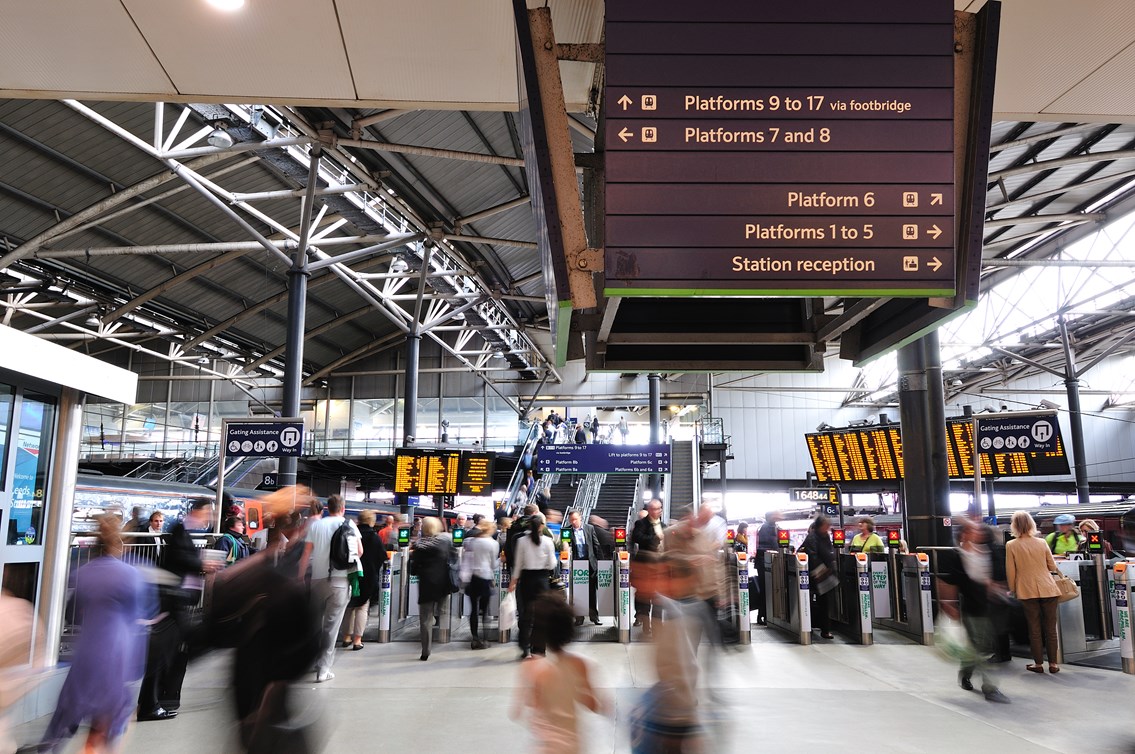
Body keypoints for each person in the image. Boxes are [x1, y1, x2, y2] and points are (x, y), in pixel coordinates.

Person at [32, 515, 149, 753]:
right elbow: (136, 614)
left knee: (71, 705)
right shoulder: (131, 574)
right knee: (113, 714)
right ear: (120, 544)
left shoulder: (83, 572)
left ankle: (51, 746)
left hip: (88, 647)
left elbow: (72, 614)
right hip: (118, 648)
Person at [137, 497, 214, 721]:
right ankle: (152, 704)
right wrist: (202, 564)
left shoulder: (182, 530)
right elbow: (179, 557)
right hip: (171, 601)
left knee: (167, 652)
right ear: (198, 511)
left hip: (175, 600)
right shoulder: (180, 530)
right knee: (163, 653)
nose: (209, 518)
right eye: (208, 513)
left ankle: (156, 701)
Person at [511, 594, 604, 754]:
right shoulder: (578, 664)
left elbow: (519, 710)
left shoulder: (531, 666)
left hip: (546, 746)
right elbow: (594, 705)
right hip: (573, 744)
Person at [936, 520, 1011, 704]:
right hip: (973, 608)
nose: (976, 533)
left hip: (994, 607)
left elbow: (1000, 574)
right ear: (963, 535)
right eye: (971, 530)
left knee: (979, 647)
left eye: (977, 530)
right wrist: (948, 604)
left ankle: (965, 671)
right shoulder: (957, 556)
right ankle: (990, 687)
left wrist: (998, 587)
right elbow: (948, 581)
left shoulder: (991, 551)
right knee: (984, 649)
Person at [301, 494, 360, 682]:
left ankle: (311, 661)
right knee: (331, 627)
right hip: (340, 582)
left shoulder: (317, 525)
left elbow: (306, 554)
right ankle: (323, 670)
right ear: (342, 508)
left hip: (317, 580)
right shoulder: (349, 525)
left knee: (315, 625)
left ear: (327, 508)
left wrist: (300, 577)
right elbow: (359, 551)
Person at [1006, 510, 1062, 674]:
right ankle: (1053, 664)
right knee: (1051, 628)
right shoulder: (1041, 542)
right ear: (1031, 524)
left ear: (1014, 526)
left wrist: (1013, 589)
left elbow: (1011, 571)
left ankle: (1038, 664)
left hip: (1027, 590)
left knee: (1034, 629)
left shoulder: (1011, 545)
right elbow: (1052, 566)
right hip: (1048, 588)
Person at [510, 513, 558, 659]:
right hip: (542, 581)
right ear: (542, 526)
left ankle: (525, 646)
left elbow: (518, 564)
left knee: (525, 614)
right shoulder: (548, 541)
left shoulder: (522, 541)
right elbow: (552, 564)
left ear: (529, 526)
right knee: (541, 615)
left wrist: (513, 581)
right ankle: (539, 650)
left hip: (526, 580)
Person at [408, 517, 453, 661]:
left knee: (425, 619)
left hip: (426, 584)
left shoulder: (419, 545)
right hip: (443, 583)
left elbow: (413, 569)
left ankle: (425, 651)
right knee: (444, 610)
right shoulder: (446, 541)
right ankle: (444, 635)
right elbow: (453, 559)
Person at [342, 510, 387, 651]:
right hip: (368, 576)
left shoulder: (350, 534)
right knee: (362, 607)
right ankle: (357, 640)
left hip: (351, 573)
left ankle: (346, 637)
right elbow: (382, 557)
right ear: (372, 521)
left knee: (349, 606)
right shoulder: (374, 537)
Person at [631, 499, 667, 637]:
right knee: (645, 598)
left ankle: (657, 626)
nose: (656, 511)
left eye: (658, 509)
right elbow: (637, 537)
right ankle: (646, 625)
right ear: (649, 510)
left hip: (659, 568)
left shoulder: (663, 525)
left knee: (658, 599)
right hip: (645, 568)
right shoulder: (641, 523)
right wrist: (655, 537)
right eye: (653, 509)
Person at [462, 520, 500, 649]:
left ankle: (474, 638)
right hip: (486, 578)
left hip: (473, 578)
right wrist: (502, 559)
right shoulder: (493, 543)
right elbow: (493, 565)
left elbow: (466, 560)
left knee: (474, 610)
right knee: (485, 611)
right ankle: (485, 639)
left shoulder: (470, 542)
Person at [799, 515, 837, 640]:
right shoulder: (812, 537)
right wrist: (821, 569)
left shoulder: (825, 536)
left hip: (825, 573)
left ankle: (825, 629)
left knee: (825, 602)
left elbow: (829, 551)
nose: (828, 527)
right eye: (826, 525)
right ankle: (809, 626)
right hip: (815, 574)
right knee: (812, 600)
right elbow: (813, 555)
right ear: (820, 525)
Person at [564, 510, 602, 627]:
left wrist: (599, 563)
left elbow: (596, 545)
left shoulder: (589, 528)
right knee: (578, 593)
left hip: (589, 563)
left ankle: (594, 616)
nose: (574, 522)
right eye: (571, 520)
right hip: (576, 565)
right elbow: (564, 547)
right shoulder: (567, 531)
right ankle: (579, 618)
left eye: (575, 519)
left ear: (580, 518)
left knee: (591, 592)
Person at [753, 511, 782, 626]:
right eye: (776, 515)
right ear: (770, 517)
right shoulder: (766, 528)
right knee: (766, 590)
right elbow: (764, 546)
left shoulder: (773, 527)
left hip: (767, 562)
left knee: (767, 590)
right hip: (764, 563)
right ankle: (762, 616)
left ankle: (766, 615)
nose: (779, 516)